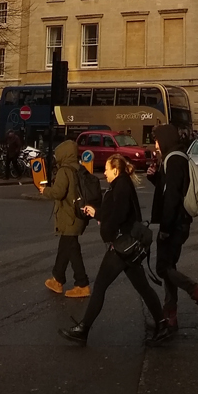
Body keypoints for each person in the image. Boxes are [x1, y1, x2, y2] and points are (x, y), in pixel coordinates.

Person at [59, 153, 169, 346]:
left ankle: (83, 329)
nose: (105, 174)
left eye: (107, 170)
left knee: (100, 285)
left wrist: (106, 227)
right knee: (143, 287)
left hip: (122, 245)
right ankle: (162, 324)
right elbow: (116, 212)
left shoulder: (121, 186)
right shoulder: (121, 184)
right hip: (128, 245)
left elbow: (118, 214)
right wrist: (97, 213)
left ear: (115, 170)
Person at [149, 124, 198, 329]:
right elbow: (171, 187)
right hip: (178, 221)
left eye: (157, 140)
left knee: (162, 267)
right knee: (168, 267)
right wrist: (155, 178)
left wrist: (166, 228)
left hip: (176, 223)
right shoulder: (174, 157)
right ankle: (170, 315)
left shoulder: (175, 159)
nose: (156, 144)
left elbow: (172, 197)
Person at [38, 138, 91, 298]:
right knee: (65, 247)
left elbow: (58, 192)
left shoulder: (64, 171)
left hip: (68, 216)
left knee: (72, 250)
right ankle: (58, 278)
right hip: (78, 214)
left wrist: (44, 191)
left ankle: (82, 283)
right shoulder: (79, 168)